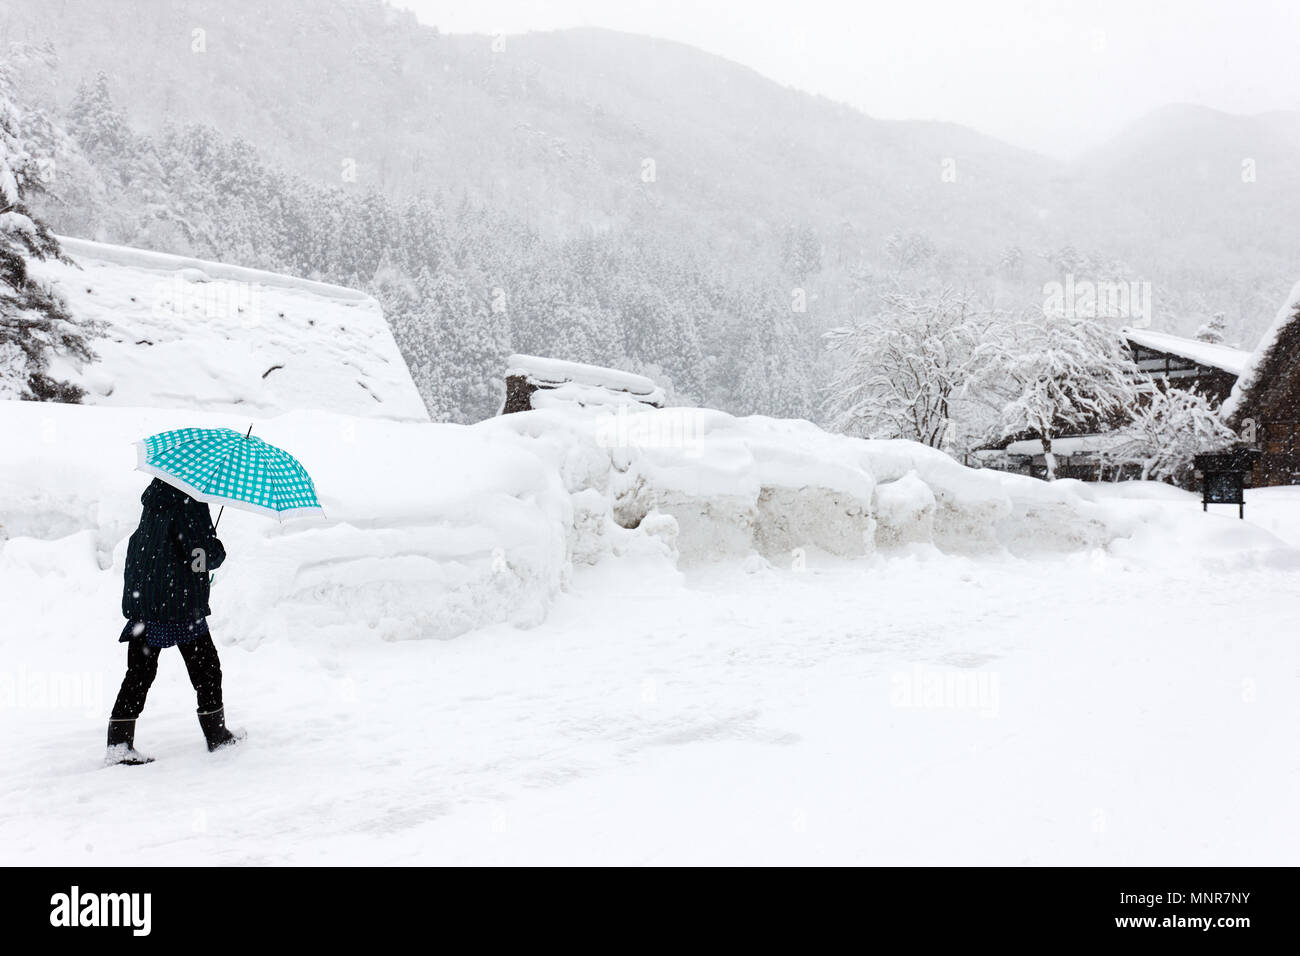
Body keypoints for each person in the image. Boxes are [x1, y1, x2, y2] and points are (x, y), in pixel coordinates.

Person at [106, 478, 245, 766]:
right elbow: (199, 555)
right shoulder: (189, 502)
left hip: (148, 599)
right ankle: (216, 734)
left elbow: (152, 545)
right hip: (178, 603)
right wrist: (215, 550)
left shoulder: (156, 499)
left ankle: (119, 742)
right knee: (206, 667)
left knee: (139, 672)